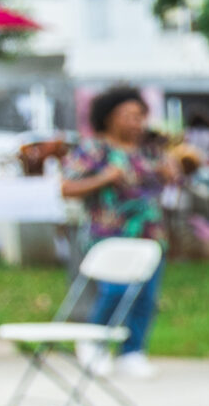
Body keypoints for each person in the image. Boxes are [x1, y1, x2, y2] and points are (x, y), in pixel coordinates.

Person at [61, 86, 183, 377]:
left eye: (139, 116)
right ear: (108, 117)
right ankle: (94, 341)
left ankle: (133, 351)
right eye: (127, 116)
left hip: (150, 234)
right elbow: (67, 187)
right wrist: (105, 178)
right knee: (115, 290)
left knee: (145, 296)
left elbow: (173, 185)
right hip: (109, 233)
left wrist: (171, 173)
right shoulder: (95, 149)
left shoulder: (151, 151)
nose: (135, 122)